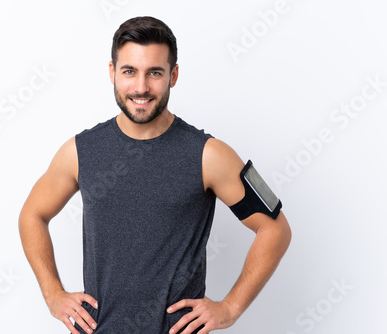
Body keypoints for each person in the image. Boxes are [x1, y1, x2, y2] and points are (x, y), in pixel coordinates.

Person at [19, 16, 291, 334]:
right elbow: (32, 215)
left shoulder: (210, 155)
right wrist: (53, 294)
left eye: (155, 73)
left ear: (173, 75)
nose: (141, 87)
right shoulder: (80, 152)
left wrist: (230, 308)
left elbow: (275, 229)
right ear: (112, 73)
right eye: (129, 71)